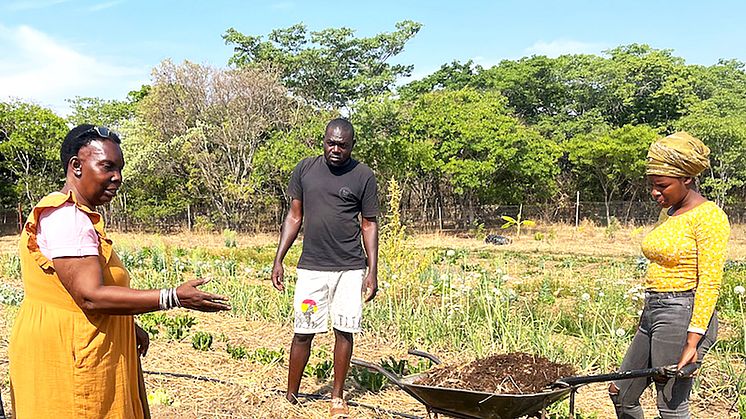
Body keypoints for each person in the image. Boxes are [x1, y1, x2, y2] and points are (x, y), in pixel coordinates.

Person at [9, 124, 231, 419]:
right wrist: (172, 297)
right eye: (107, 167)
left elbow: (69, 293)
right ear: (76, 166)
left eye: (120, 169)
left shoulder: (69, 214)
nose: (117, 178)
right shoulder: (68, 219)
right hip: (72, 351)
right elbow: (90, 296)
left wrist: (126, 327)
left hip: (68, 340)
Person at [609, 132, 729, 418]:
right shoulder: (670, 212)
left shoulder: (709, 217)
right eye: (652, 185)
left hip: (682, 314)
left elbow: (710, 281)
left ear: (687, 178)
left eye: (662, 186)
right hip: (653, 311)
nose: (655, 193)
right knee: (621, 393)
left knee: (670, 405)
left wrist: (693, 340)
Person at [271, 118, 379, 417]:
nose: (335, 149)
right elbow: (294, 217)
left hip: (349, 268)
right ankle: (291, 395)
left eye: (342, 145)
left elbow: (369, 224)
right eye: (331, 142)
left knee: (344, 330)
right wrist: (279, 258)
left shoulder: (363, 175)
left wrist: (372, 269)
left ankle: (337, 396)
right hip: (312, 269)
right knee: (303, 331)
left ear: (352, 146)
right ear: (323, 140)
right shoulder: (305, 169)